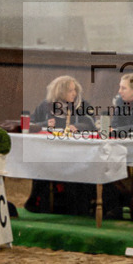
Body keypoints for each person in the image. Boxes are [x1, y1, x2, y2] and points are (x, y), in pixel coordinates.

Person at [24, 75, 98, 216]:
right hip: (51, 153)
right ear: (60, 92)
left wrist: (77, 126)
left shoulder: (82, 105)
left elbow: (91, 124)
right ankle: (42, 204)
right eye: (71, 91)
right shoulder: (45, 106)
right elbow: (30, 125)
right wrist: (44, 124)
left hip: (76, 153)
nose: (74, 94)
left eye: (75, 90)